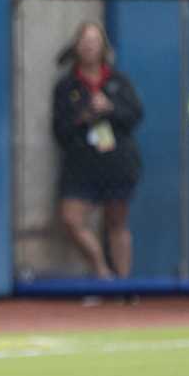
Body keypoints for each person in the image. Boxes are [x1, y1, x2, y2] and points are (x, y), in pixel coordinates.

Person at [51, 21, 144, 279]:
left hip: (116, 160)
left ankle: (124, 286)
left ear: (103, 47)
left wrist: (109, 108)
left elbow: (135, 115)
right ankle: (102, 272)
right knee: (71, 219)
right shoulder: (67, 86)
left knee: (117, 223)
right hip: (82, 162)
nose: (89, 47)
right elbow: (60, 129)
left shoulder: (118, 82)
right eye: (84, 42)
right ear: (76, 47)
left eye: (94, 42)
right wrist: (83, 116)